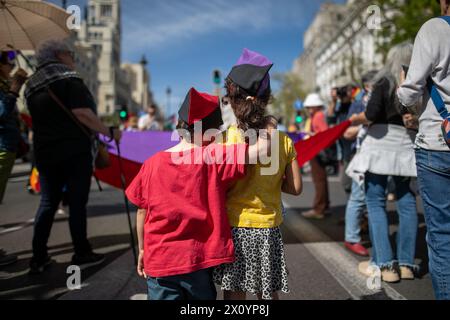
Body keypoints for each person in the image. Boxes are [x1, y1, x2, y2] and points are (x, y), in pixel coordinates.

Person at [126, 88, 270, 300]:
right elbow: (263, 150)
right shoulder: (213, 156)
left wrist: (142, 251)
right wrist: (268, 121)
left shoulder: (151, 164)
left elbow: (142, 212)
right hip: (198, 260)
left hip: (160, 260)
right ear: (209, 130)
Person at [25, 39, 122, 274]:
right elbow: (83, 113)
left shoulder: (31, 85)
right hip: (74, 151)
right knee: (77, 203)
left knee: (48, 202)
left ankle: (38, 256)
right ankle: (82, 251)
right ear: (59, 55)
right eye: (71, 55)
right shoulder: (68, 78)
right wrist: (109, 131)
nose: (74, 59)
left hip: (45, 152)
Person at [213, 49, 303, 300]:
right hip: (268, 228)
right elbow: (296, 188)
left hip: (234, 226)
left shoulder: (222, 140)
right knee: (267, 292)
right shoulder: (282, 141)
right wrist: (274, 184)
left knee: (234, 293)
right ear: (266, 98)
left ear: (232, 99)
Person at [348, 42, 418, 283]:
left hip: (379, 144)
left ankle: (385, 265)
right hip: (405, 143)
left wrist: (355, 119)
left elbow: (370, 115)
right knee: (406, 200)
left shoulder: (384, 81)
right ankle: (407, 264)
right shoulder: (418, 81)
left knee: (375, 202)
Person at [397, 0, 450, 299]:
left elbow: (410, 91)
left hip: (438, 143)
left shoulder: (434, 28)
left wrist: (402, 90)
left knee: (442, 234)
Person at [342, 70, 378, 257]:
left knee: (374, 199)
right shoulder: (358, 104)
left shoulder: (373, 99)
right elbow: (348, 131)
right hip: (363, 153)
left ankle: (374, 236)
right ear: (366, 86)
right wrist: (363, 121)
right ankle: (352, 237)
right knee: (357, 197)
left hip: (381, 153)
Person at [0, 50, 28, 266]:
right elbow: (1, 112)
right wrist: (15, 88)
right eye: (7, 62)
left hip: (6, 147)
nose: (10, 66)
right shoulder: (4, 87)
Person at [302, 93, 330, 219]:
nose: (308, 109)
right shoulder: (318, 115)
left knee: (319, 180)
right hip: (318, 150)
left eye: (309, 107)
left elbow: (324, 132)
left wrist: (311, 134)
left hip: (318, 151)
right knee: (321, 180)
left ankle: (319, 209)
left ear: (315, 106)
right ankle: (324, 206)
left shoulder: (318, 116)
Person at [328, 84, 354, 194]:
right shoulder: (339, 107)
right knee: (347, 183)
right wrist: (333, 100)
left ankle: (357, 207)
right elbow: (330, 117)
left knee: (347, 182)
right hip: (343, 149)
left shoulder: (354, 105)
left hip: (353, 146)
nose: (342, 94)